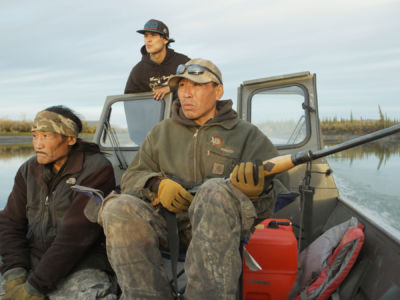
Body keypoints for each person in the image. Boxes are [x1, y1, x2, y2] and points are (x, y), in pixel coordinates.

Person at [100, 58, 289, 299]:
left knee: (215, 190)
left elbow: (283, 188)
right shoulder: (161, 132)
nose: (186, 94)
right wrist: (156, 185)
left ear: (218, 90)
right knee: (117, 207)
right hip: (167, 228)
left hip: (222, 230)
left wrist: (257, 192)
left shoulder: (246, 134)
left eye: (196, 86)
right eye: (181, 86)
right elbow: (131, 178)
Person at [0, 106, 117, 300]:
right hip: (33, 256)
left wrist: (34, 288)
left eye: (46, 136)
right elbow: (10, 222)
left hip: (81, 262)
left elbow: (76, 236)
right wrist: (15, 274)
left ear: (70, 139)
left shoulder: (97, 169)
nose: (37, 144)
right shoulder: (28, 169)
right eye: (35, 136)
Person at [124, 19, 190, 100]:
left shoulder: (183, 62)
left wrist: (171, 88)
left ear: (165, 40)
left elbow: (198, 85)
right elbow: (129, 101)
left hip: (182, 111)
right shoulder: (138, 71)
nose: (148, 40)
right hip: (154, 112)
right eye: (146, 36)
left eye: (153, 35)